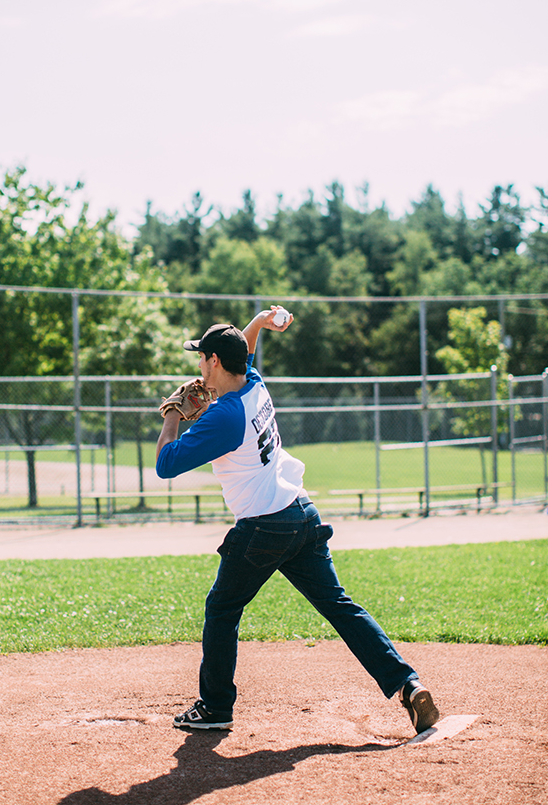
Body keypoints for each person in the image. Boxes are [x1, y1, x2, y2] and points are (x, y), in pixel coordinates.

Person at [155, 308, 440, 735]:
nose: (198, 366)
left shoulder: (224, 415)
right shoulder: (253, 384)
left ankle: (215, 708)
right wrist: (257, 321)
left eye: (202, 357)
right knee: (340, 607)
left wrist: (173, 413)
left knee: (222, 610)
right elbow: (245, 352)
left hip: (263, 527)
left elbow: (165, 464)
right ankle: (406, 683)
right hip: (302, 514)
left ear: (215, 361)